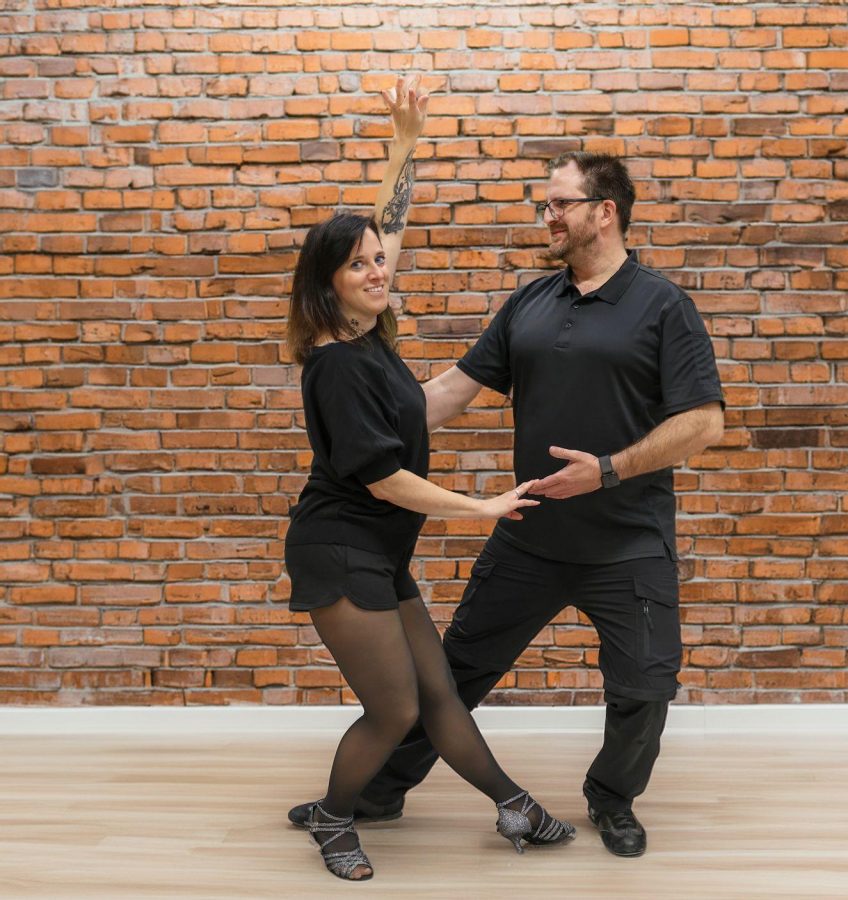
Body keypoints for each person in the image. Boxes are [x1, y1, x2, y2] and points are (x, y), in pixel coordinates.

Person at [289, 150, 725, 857]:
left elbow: (705, 423)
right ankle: (371, 792)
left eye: (560, 204)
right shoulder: (529, 303)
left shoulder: (662, 306)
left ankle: (611, 801)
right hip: (528, 539)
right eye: (546, 204)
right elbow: (443, 396)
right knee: (449, 676)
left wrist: (609, 470)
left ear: (603, 212)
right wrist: (366, 426)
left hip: (627, 540)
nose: (547, 216)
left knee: (645, 689)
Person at [283, 76, 574, 882]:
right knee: (397, 708)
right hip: (340, 549)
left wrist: (403, 146)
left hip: (378, 554)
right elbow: (384, 480)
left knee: (440, 692)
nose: (378, 272)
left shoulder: (371, 333)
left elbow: (390, 227)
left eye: (379, 263)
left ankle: (512, 804)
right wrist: (481, 506)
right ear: (328, 284)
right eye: (359, 267)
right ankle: (336, 819)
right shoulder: (337, 367)